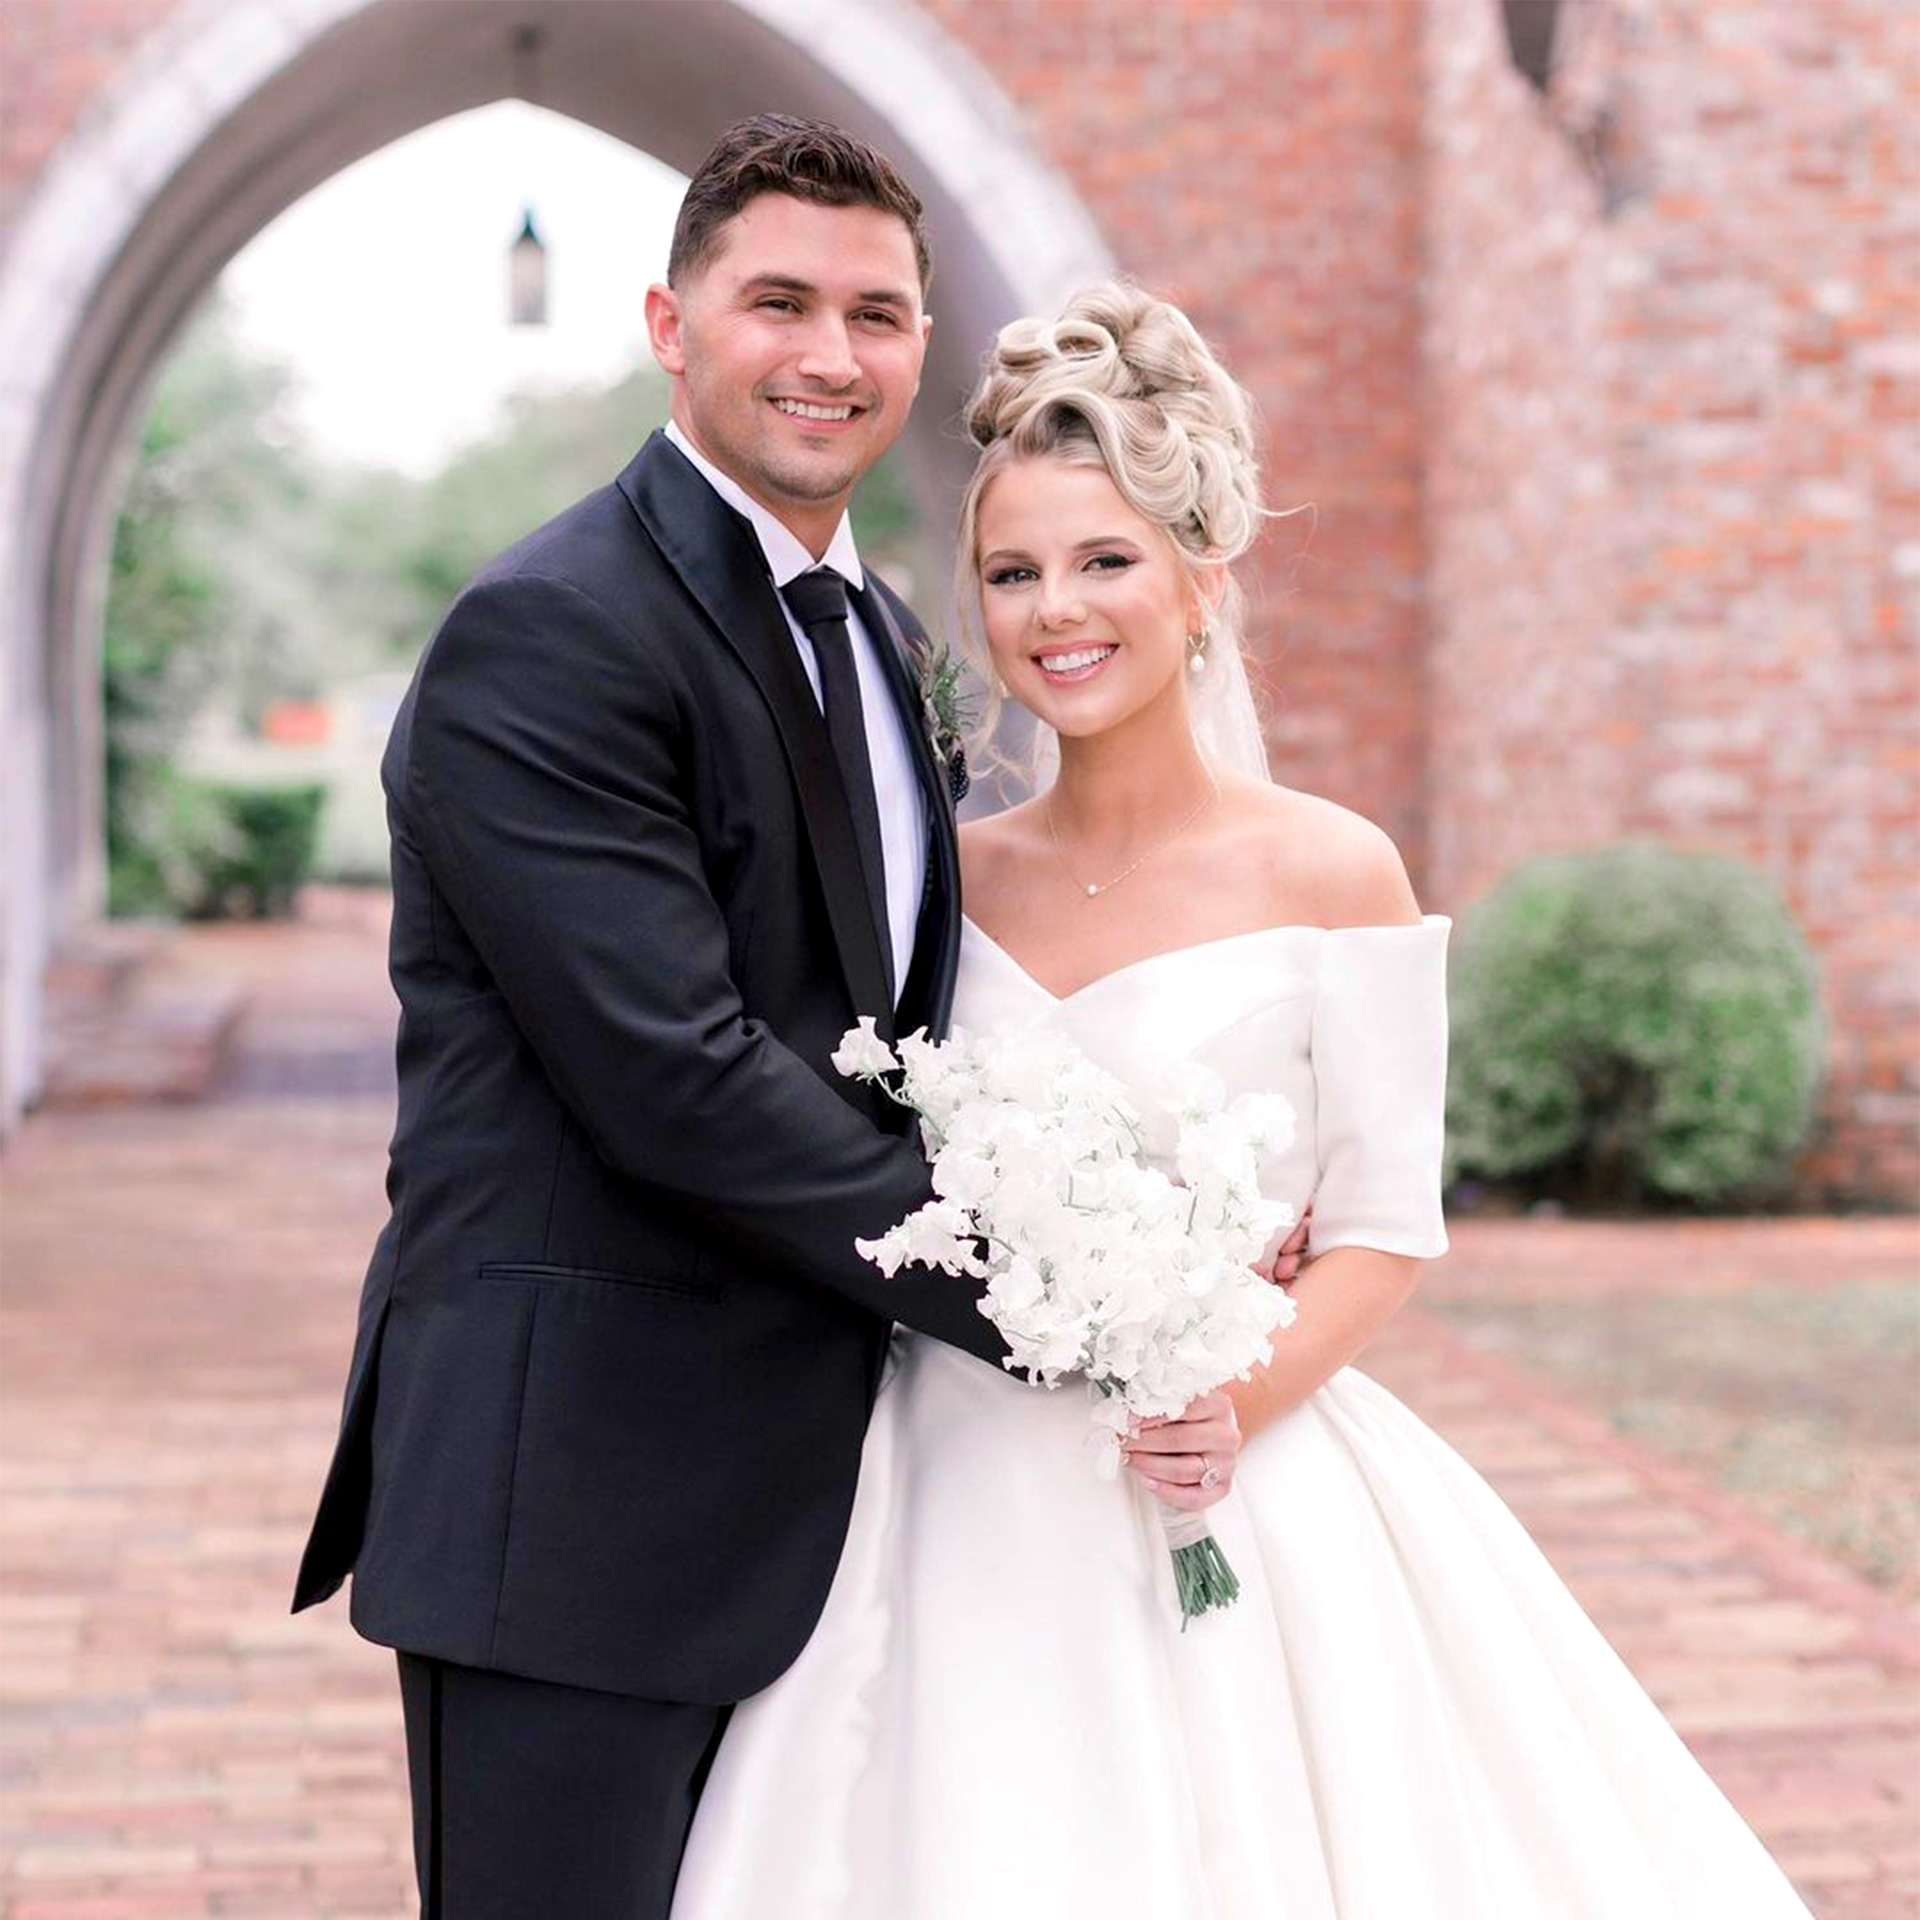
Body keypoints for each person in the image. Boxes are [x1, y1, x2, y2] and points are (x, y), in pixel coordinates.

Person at [666, 283, 1819, 1919]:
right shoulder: (939, 876)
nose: (1056, 611)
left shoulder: (1333, 869)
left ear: (1202, 584)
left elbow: (1380, 1229)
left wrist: (1234, 1402)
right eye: (1012, 573)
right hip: (950, 1483)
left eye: (1105, 560)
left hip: (1227, 1473)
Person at [288, 122, 1246, 1919]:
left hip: (842, 1497)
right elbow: (683, 1082)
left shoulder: (876, 634)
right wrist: (1073, 1305)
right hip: (579, 1496)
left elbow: (898, 1030)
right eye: (778, 301)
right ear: (671, 323)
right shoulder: (553, 632)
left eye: (879, 313)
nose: (832, 353)